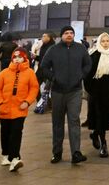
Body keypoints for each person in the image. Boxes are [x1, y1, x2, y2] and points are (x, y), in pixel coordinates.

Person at [39, 25, 91, 165]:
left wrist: (81, 75)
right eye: (66, 33)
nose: (69, 35)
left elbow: (88, 64)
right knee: (58, 122)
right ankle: (57, 152)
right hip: (57, 91)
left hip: (74, 91)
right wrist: (54, 77)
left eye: (71, 33)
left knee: (74, 121)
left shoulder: (80, 49)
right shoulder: (53, 50)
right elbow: (43, 67)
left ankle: (76, 152)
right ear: (61, 35)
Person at [0, 48, 39, 172]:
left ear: (25, 58)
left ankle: (15, 158)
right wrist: (0, 102)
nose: (17, 59)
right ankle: (6, 155)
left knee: (16, 132)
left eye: (20, 57)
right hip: (5, 108)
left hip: (20, 109)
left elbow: (34, 88)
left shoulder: (30, 73)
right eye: (15, 57)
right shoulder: (4, 72)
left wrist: (27, 102)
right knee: (5, 132)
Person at [85, 33, 109, 158]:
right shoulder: (94, 55)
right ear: (99, 42)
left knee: (106, 117)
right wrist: (91, 90)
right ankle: (103, 144)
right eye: (103, 41)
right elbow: (88, 74)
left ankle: (95, 134)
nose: (105, 43)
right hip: (96, 91)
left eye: (107, 41)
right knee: (99, 117)